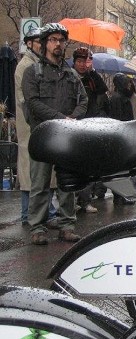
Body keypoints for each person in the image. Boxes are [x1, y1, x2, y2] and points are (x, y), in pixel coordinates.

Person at [22, 22, 87, 245]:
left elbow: (83, 101)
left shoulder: (71, 74)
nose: (57, 44)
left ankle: (67, 225)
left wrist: (72, 118)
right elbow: (33, 103)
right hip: (42, 136)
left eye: (61, 40)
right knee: (39, 184)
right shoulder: (33, 72)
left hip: (66, 137)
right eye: (53, 40)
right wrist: (61, 118)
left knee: (67, 184)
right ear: (44, 43)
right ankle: (37, 228)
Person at [14, 27, 58, 227]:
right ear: (30, 43)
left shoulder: (37, 64)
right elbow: (27, 100)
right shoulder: (26, 66)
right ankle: (29, 214)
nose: (42, 45)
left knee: (37, 173)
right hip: (31, 125)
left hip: (37, 125)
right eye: (39, 42)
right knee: (31, 172)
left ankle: (43, 212)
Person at [72, 47, 109, 213]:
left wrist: (92, 70)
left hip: (89, 123)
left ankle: (85, 200)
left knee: (87, 166)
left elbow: (102, 89)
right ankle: (71, 201)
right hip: (73, 122)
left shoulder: (91, 78)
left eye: (85, 61)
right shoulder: (68, 76)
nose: (82, 65)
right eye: (79, 61)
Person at [107, 73, 136, 205]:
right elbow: (118, 118)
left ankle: (120, 195)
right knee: (120, 170)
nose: (128, 85)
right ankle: (119, 195)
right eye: (126, 83)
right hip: (121, 137)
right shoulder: (117, 99)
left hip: (122, 136)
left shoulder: (121, 97)